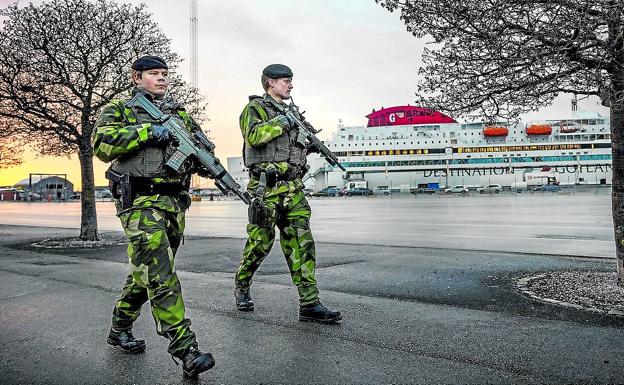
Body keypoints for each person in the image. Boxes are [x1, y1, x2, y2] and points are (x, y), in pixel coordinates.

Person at [93, 55, 214, 377]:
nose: (161, 78)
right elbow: (103, 145)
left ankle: (119, 328)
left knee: (145, 274)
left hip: (174, 204)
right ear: (136, 78)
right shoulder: (118, 110)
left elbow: (200, 155)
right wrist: (148, 131)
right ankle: (185, 349)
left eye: (164, 74)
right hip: (140, 204)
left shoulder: (181, 115)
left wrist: (204, 156)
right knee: (161, 275)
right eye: (153, 74)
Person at [234, 64, 342, 324]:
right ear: (269, 83)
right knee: (260, 244)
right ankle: (242, 284)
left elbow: (292, 147)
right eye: (285, 81)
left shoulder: (292, 112)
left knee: (302, 245)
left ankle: (309, 303)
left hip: (293, 189)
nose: (290, 85)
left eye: (291, 81)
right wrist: (284, 121)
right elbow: (255, 137)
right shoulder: (255, 109)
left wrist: (308, 146)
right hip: (265, 189)